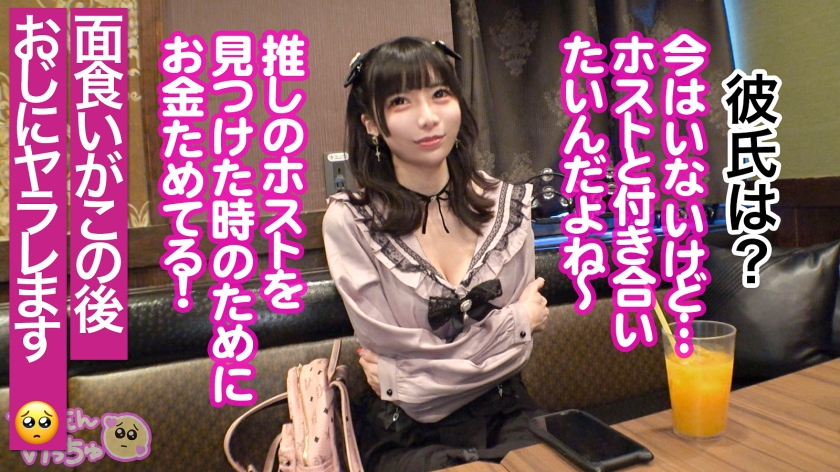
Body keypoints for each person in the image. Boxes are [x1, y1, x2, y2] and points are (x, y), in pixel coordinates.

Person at [322, 36, 549, 472]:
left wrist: (407, 374)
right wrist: (516, 323)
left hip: (508, 415)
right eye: (401, 102)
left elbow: (517, 358)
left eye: (440, 94)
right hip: (407, 434)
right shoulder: (351, 222)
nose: (428, 117)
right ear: (371, 124)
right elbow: (406, 386)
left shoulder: (507, 206)